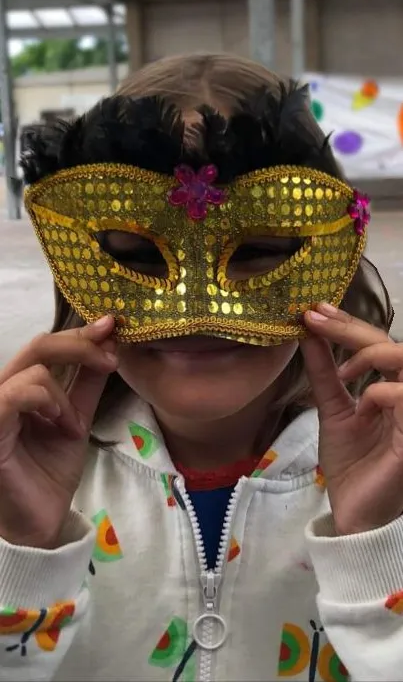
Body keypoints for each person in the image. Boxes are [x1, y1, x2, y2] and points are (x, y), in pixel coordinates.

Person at [0, 53, 402, 682]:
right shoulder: (15, 478)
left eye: (262, 251)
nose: (195, 309)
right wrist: (19, 553)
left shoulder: (396, 471)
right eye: (136, 256)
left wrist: (380, 546)